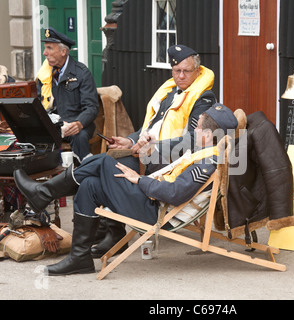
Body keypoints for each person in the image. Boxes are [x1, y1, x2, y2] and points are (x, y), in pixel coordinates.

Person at [14, 103, 238, 276]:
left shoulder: (207, 163)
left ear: (208, 136)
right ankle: (79, 258)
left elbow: (174, 194)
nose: (194, 130)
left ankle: (43, 193)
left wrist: (139, 180)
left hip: (155, 211)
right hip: (151, 200)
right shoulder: (206, 154)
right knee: (91, 185)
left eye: (197, 127)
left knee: (104, 162)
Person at [88, 44, 217, 258]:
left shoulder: (203, 98)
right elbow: (153, 125)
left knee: (108, 168)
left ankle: (109, 229)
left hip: (171, 162)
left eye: (187, 71)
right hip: (151, 155)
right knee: (110, 166)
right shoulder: (169, 92)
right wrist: (130, 141)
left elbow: (194, 140)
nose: (181, 76)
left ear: (198, 71)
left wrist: (154, 148)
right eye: (177, 71)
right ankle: (110, 231)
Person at [36, 27, 99, 163]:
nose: (44, 53)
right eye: (45, 48)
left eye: (49, 48)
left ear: (63, 51)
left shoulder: (82, 73)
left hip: (75, 123)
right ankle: (45, 174)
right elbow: (37, 103)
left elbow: (91, 107)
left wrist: (79, 123)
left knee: (80, 136)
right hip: (53, 124)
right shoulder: (44, 74)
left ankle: (83, 173)